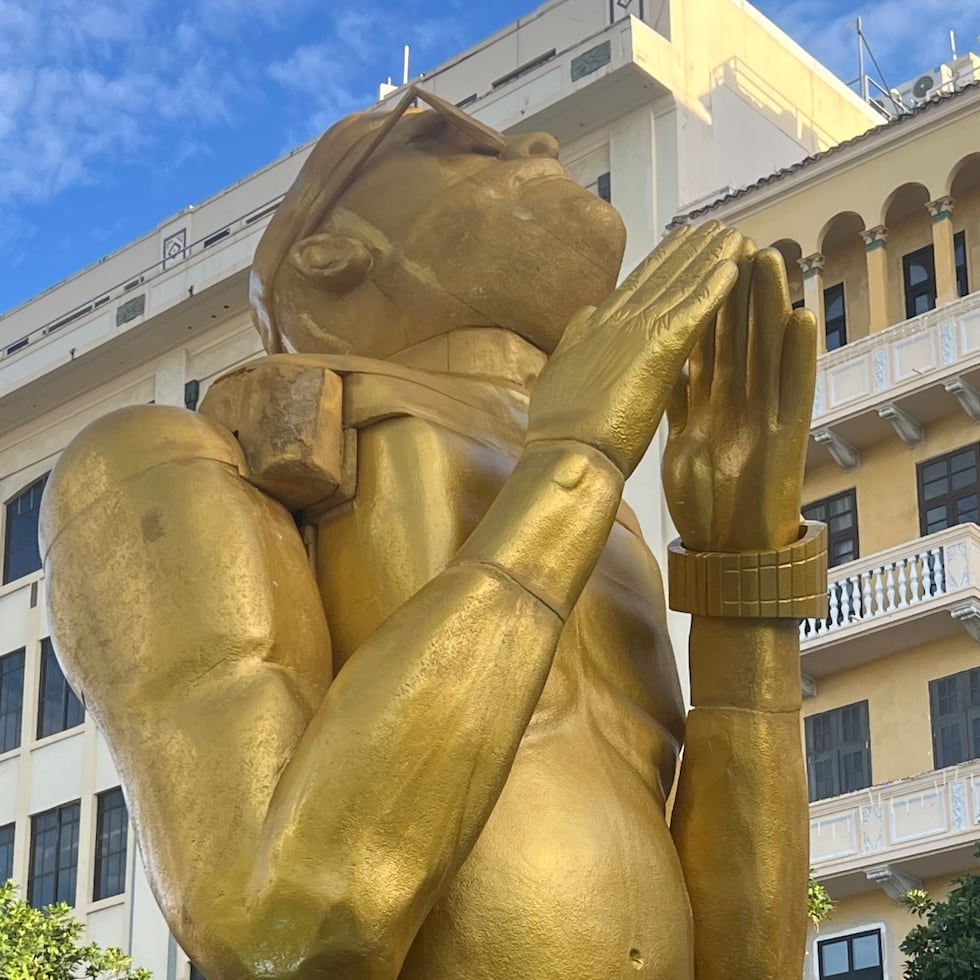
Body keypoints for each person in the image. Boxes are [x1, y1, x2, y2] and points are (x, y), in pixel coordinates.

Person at [40, 86, 825, 979]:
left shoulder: (608, 519)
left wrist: (741, 594)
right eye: (455, 141)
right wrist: (576, 461)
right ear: (331, 256)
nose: (533, 140)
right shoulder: (170, 460)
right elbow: (282, 924)